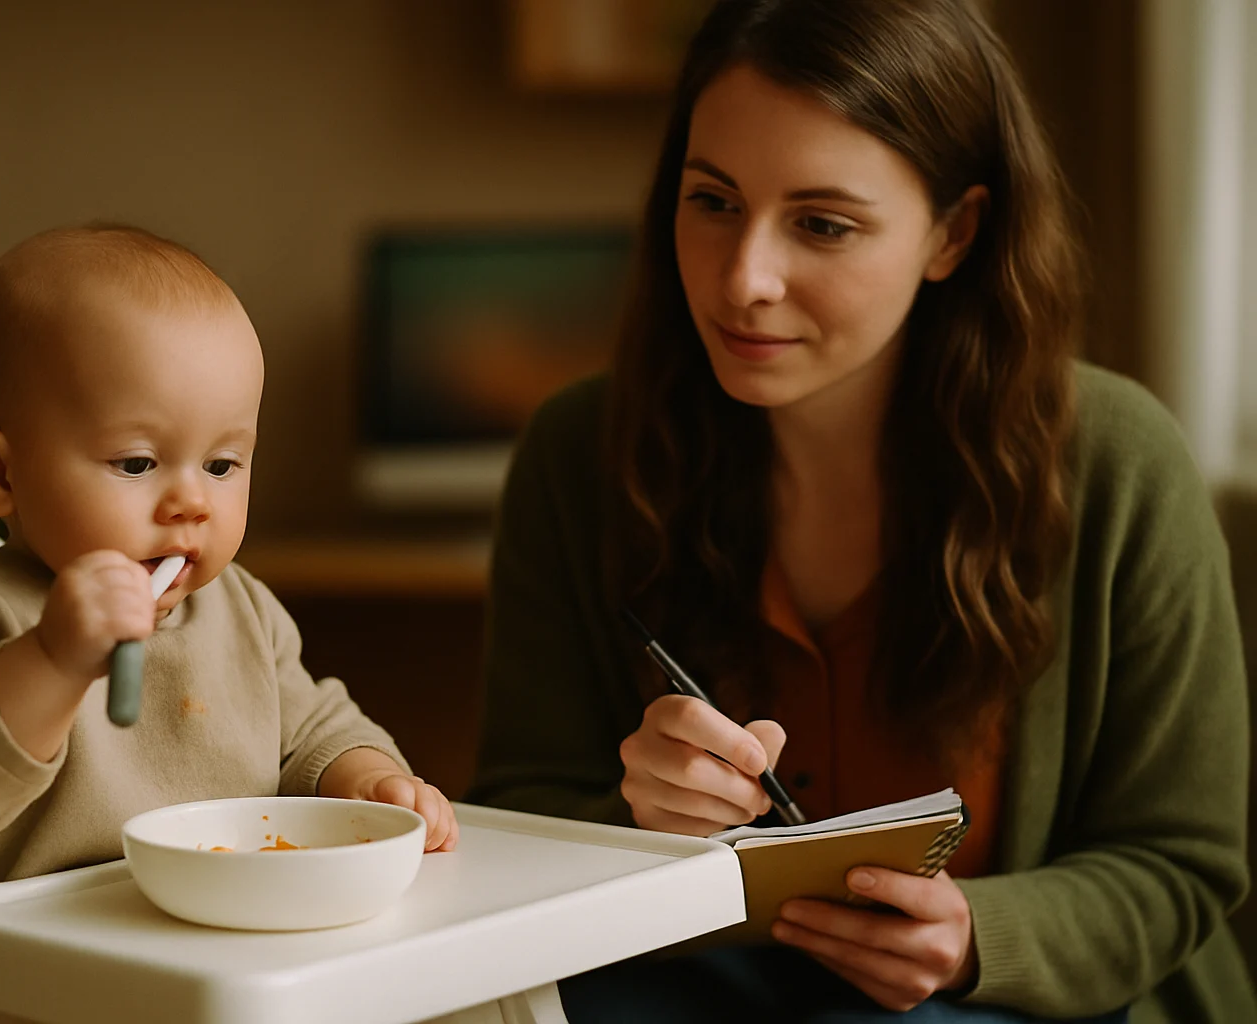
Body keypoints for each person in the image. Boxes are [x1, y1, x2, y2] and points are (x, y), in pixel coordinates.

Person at [466, 0, 1252, 1020]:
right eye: (712, 202)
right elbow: (514, 816)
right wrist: (634, 821)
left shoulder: (1119, 461)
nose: (745, 278)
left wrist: (978, 938)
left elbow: (1180, 863)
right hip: (697, 989)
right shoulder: (578, 454)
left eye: (822, 224)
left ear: (953, 233)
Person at [0, 224, 458, 883]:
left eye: (223, 465)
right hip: (10, 966)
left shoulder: (242, 610)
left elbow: (312, 730)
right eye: (138, 462)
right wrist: (52, 659)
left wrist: (367, 778)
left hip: (190, 936)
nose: (191, 501)